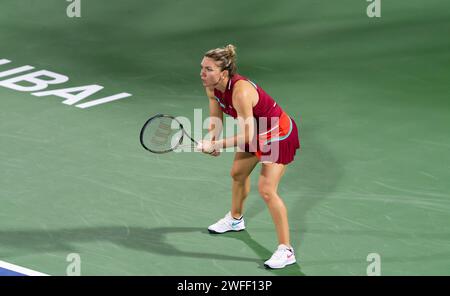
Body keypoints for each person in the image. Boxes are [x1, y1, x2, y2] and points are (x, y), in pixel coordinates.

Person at [198, 44, 300, 269]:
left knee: (266, 189)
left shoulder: (241, 92)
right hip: (256, 132)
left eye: (208, 69)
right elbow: (216, 119)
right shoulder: (212, 88)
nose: (202, 73)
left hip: (277, 135)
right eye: (202, 68)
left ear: (223, 73)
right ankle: (235, 220)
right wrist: (212, 139)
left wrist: (216, 144)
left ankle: (286, 250)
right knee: (237, 173)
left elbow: (247, 134)